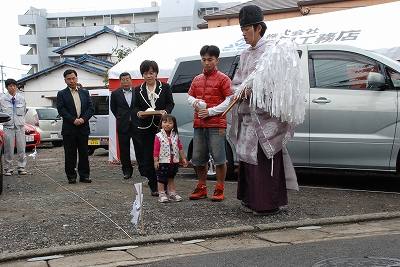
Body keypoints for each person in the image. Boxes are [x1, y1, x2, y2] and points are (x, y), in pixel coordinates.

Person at [229, 5, 299, 215]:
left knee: (262, 160)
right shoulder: (244, 55)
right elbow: (238, 81)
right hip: (248, 114)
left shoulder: (273, 52)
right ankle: (251, 199)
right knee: (248, 160)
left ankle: (268, 203)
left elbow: (279, 84)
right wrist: (240, 90)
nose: (243, 33)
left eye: (246, 28)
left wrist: (255, 90)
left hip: (266, 117)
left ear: (259, 27)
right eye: (241, 29)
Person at [187, 45, 234, 202]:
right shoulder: (197, 79)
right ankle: (202, 187)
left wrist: (211, 111)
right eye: (204, 59)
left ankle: (220, 187)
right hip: (199, 124)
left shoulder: (223, 79)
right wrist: (194, 102)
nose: (206, 63)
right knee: (198, 158)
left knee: (219, 158)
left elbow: (230, 100)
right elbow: (190, 96)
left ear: (217, 60)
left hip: (216, 124)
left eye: (210, 59)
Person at [133, 60, 175, 196]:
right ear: (142, 75)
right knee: (148, 156)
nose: (149, 76)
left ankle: (164, 185)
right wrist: (139, 113)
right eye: (146, 73)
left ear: (156, 73)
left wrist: (165, 112)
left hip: (161, 127)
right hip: (145, 127)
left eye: (151, 73)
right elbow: (135, 107)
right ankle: (153, 186)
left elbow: (170, 103)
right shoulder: (137, 89)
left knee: (163, 156)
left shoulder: (165, 87)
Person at [56, 69, 94, 184]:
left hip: (83, 128)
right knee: (70, 153)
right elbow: (61, 109)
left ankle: (84, 175)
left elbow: (91, 108)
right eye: (69, 79)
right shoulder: (62, 94)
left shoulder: (84, 93)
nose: (72, 81)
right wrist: (73, 120)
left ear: (77, 78)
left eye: (73, 78)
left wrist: (83, 119)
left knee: (84, 153)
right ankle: (71, 176)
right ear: (65, 80)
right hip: (69, 128)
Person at [110, 72, 145, 179]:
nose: (125, 82)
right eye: (123, 80)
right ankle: (127, 171)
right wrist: (121, 117)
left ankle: (143, 170)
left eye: (127, 79)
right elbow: (113, 108)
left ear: (131, 80)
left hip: (136, 123)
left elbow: (141, 106)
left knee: (140, 147)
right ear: (120, 81)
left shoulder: (137, 91)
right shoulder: (115, 94)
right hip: (123, 124)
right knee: (124, 149)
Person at [153, 114, 188, 203]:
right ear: (161, 124)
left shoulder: (175, 135)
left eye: (170, 122)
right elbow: (156, 149)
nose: (167, 124)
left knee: (171, 178)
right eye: (164, 122)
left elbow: (180, 147)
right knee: (161, 178)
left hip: (173, 161)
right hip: (162, 161)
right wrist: (156, 161)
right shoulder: (159, 136)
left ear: (174, 124)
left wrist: (183, 158)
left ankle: (172, 194)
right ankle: (162, 194)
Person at [0, 79, 27, 176]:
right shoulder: (2, 99)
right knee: (9, 148)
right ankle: (9, 168)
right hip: (8, 126)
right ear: (7, 87)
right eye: (10, 86)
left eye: (14, 86)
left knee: (21, 147)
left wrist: (21, 121)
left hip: (19, 126)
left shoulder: (21, 98)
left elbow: (24, 111)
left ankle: (21, 167)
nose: (13, 88)